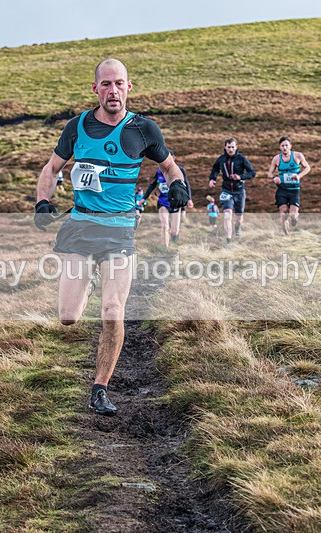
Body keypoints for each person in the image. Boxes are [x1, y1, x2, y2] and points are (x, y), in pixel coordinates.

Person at [34, 58, 188, 416]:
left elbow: (168, 165)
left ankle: (100, 387)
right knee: (69, 317)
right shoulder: (77, 128)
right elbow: (51, 168)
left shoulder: (144, 129)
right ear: (95, 89)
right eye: (106, 84)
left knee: (112, 310)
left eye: (119, 83)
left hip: (119, 231)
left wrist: (178, 183)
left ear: (129, 87)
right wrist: (43, 202)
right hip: (80, 227)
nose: (113, 91)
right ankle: (85, 284)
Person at [208, 138, 256, 246]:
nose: (230, 149)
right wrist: (212, 179)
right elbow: (215, 169)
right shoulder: (221, 159)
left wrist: (240, 177)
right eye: (228, 147)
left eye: (233, 147)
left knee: (238, 218)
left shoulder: (241, 158)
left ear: (236, 147)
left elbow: (252, 173)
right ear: (225, 147)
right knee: (227, 214)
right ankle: (228, 240)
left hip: (239, 191)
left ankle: (237, 228)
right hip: (226, 191)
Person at [142, 150, 191, 248]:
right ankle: (166, 248)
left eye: (169, 158)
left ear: (174, 158)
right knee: (165, 226)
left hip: (175, 202)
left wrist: (189, 199)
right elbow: (152, 185)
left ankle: (174, 246)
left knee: (175, 230)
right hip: (163, 202)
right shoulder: (159, 172)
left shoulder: (180, 170)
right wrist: (144, 198)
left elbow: (187, 185)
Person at [267, 136, 311, 235]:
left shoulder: (298, 156)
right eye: (282, 145)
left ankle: (294, 218)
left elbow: (307, 168)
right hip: (282, 189)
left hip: (294, 189)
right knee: (283, 212)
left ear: (290, 146)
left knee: (292, 215)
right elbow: (269, 173)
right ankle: (286, 233)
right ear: (280, 147)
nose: (284, 147)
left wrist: (299, 176)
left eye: (286, 145)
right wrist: (274, 178)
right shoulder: (276, 159)